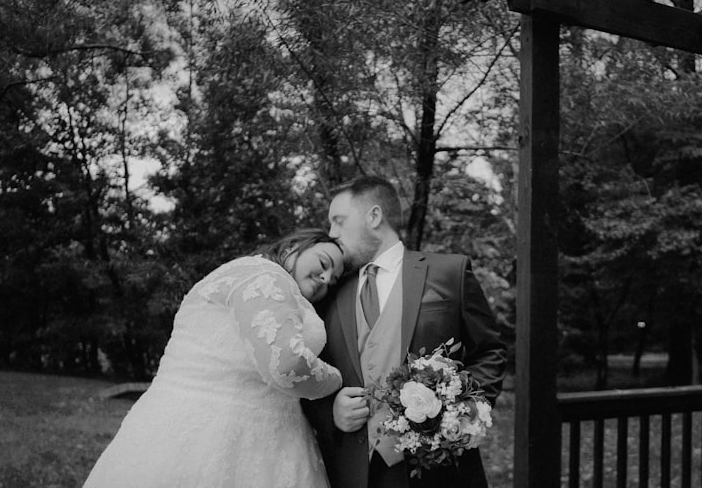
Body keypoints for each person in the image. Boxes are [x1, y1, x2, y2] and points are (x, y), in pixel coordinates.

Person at [84, 229, 346, 488]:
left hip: (257, 436)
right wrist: (338, 380)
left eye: (333, 280)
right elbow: (286, 365)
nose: (325, 278)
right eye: (324, 263)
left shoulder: (255, 277)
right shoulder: (265, 276)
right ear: (294, 247)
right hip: (216, 434)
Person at [303, 176, 508, 488]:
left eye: (339, 221)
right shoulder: (328, 290)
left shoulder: (449, 272)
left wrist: (458, 411)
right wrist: (329, 410)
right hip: (353, 471)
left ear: (374, 216)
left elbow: (491, 352)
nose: (331, 234)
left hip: (439, 473)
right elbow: (304, 371)